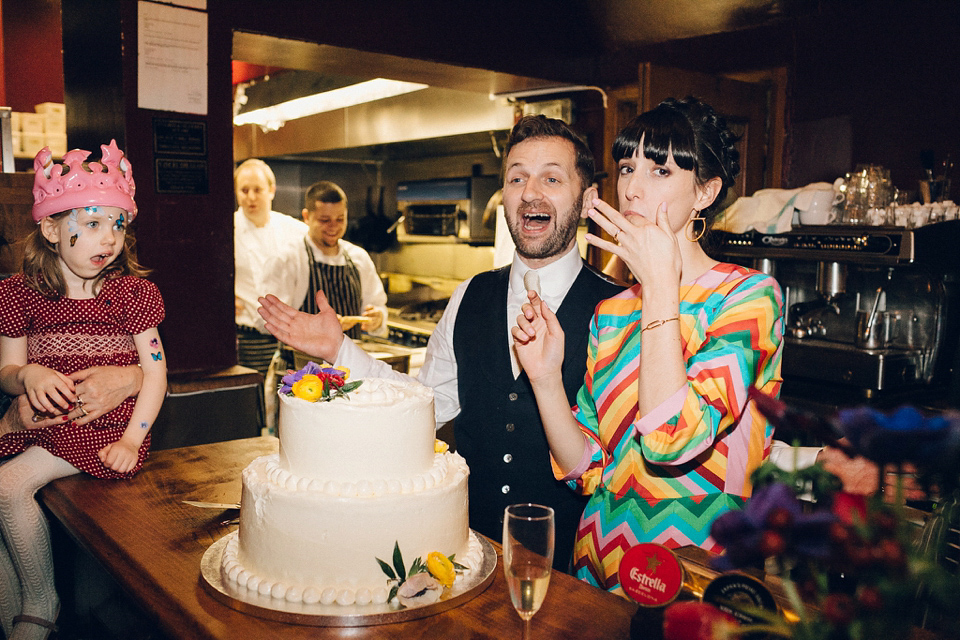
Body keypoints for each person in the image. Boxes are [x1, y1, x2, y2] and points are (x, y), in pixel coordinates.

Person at [258, 115, 625, 571]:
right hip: (468, 555)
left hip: (575, 570)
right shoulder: (470, 295)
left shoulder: (622, 309)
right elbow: (426, 404)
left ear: (588, 199)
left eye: (552, 178)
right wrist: (339, 351)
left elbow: (625, 465)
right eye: (516, 178)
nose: (531, 192)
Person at [512, 97, 784, 594]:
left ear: (705, 191)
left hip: (698, 577)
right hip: (598, 568)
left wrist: (661, 287)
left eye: (660, 170)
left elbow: (671, 439)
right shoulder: (612, 312)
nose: (633, 189)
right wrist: (546, 380)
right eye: (626, 167)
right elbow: (588, 469)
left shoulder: (747, 297)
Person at [0, 141, 166, 638]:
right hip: (38, 427)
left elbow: (154, 372)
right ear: (51, 229)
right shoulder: (18, 294)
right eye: (92, 223)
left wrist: (133, 439)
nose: (109, 238)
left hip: (96, 428)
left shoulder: (131, 294)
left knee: (7, 488)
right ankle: (12, 616)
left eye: (117, 224)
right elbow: (6, 370)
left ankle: (40, 601)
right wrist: (26, 376)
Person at [233, 158, 309, 378]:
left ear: (272, 191)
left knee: (284, 403)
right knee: (250, 403)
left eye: (257, 189)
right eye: (244, 190)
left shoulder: (295, 230)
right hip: (244, 338)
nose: (251, 197)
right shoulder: (225, 231)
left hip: (289, 338)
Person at [299, 181, 387, 339]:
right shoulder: (291, 258)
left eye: (340, 219)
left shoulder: (359, 258)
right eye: (325, 220)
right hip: (302, 362)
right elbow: (272, 319)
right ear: (306, 217)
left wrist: (377, 319)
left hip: (348, 362)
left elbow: (377, 304)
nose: (333, 227)